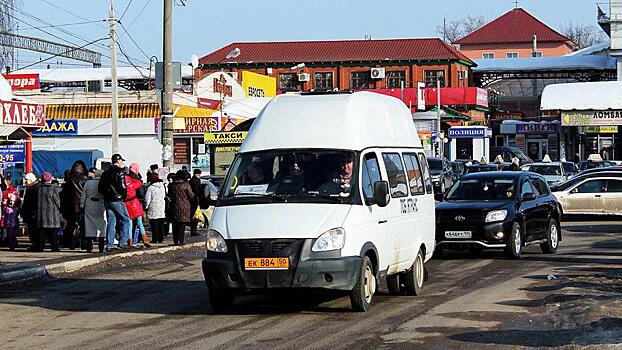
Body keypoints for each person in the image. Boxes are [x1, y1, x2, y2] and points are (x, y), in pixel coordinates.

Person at [99, 153, 131, 251]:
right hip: (118, 199)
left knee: (111, 222)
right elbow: (123, 186)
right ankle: (123, 242)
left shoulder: (105, 173)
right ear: (118, 161)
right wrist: (124, 196)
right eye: (121, 160)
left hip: (108, 200)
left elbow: (100, 188)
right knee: (125, 219)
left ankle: (110, 244)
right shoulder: (120, 172)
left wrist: (107, 195)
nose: (122, 162)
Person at [62, 160, 88, 250]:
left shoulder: (70, 178)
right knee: (84, 225)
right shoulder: (85, 178)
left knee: (71, 225)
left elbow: (66, 193)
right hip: (83, 204)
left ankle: (71, 243)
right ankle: (84, 244)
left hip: (71, 204)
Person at [81, 169, 107, 253]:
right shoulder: (104, 183)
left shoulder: (88, 183)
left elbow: (83, 195)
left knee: (89, 224)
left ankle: (89, 246)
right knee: (102, 224)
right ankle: (101, 246)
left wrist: (82, 205)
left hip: (90, 204)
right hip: (101, 204)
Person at [167, 170, 195, 246]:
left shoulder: (171, 185)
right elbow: (191, 196)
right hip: (184, 207)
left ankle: (175, 240)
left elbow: (169, 195)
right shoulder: (186, 185)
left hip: (174, 206)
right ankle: (181, 240)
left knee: (174, 224)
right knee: (182, 224)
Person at [125, 163, 150, 248]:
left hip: (127, 203)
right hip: (136, 203)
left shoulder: (126, 179)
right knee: (139, 223)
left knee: (129, 223)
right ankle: (145, 239)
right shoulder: (138, 181)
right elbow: (141, 193)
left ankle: (130, 241)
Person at [36, 172, 61, 252]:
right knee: (53, 233)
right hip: (52, 214)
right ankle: (54, 247)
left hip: (41, 213)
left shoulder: (38, 188)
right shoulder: (53, 188)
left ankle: (40, 247)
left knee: (41, 233)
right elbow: (57, 201)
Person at [144, 172, 166, 244]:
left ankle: (155, 239)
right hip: (162, 206)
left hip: (153, 207)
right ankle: (161, 238)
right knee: (161, 223)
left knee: (154, 224)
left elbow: (147, 199)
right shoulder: (163, 186)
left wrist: (146, 207)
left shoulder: (151, 188)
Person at [21, 173, 40, 251]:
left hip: (32, 213)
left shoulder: (34, 188)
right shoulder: (30, 187)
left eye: (26, 179)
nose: (25, 181)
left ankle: (36, 245)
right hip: (30, 213)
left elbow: (32, 202)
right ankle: (35, 245)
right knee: (32, 230)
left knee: (34, 231)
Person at [189, 169, 203, 236]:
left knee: (193, 215)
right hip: (195, 200)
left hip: (191, 200)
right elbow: (198, 191)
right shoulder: (197, 181)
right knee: (195, 216)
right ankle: (194, 230)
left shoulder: (190, 181)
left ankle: (193, 230)